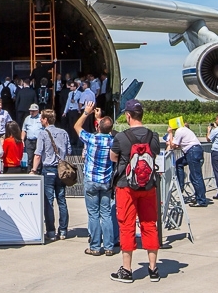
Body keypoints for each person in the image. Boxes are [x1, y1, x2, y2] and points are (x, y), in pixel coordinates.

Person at [109, 99, 160, 283]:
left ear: (128, 116)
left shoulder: (121, 138)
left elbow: (113, 157)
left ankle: (127, 269)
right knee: (149, 224)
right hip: (148, 186)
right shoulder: (153, 136)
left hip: (126, 186)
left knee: (127, 225)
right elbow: (155, 154)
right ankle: (153, 268)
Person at [75, 101, 116, 256]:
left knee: (93, 214)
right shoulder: (113, 141)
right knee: (106, 213)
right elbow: (107, 129)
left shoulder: (92, 139)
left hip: (91, 179)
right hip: (105, 181)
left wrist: (86, 112)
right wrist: (101, 119)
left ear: (98, 126)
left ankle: (95, 246)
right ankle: (109, 246)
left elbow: (77, 127)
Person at [30, 108, 71, 241]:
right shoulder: (64, 132)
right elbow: (69, 150)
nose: (41, 120)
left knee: (48, 201)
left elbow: (38, 154)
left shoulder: (42, 134)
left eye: (42, 118)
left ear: (46, 120)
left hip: (48, 169)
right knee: (61, 200)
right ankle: (63, 230)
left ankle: (51, 231)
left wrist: (33, 170)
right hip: (62, 169)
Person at [167, 120, 209, 207]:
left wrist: (170, 133)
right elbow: (178, 145)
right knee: (179, 163)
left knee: (196, 176)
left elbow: (173, 146)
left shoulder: (179, 131)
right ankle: (184, 187)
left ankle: (201, 200)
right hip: (194, 150)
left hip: (192, 152)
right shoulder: (185, 130)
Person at [21, 103, 42, 168]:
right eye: (31, 110)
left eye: (33, 111)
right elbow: (24, 130)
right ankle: (29, 172)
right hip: (29, 141)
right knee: (30, 158)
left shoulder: (41, 118)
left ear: (38, 111)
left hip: (39, 141)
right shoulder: (27, 118)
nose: (32, 112)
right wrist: (22, 139)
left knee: (39, 157)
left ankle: (38, 172)